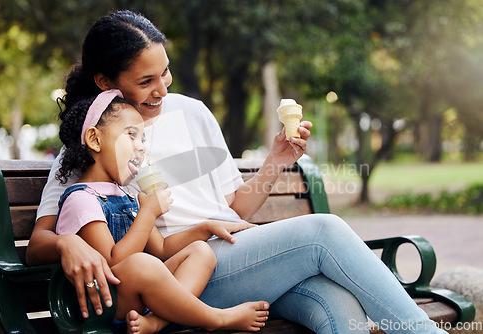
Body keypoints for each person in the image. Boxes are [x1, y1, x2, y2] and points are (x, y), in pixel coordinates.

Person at [27, 9, 446, 334]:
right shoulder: (93, 145)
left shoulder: (192, 112)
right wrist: (68, 246)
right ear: (105, 82)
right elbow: (44, 236)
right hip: (186, 277)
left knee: (339, 308)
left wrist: (276, 162)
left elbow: (231, 206)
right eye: (146, 80)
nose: (162, 89)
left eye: (166, 72)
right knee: (325, 233)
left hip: (245, 259)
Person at [54, 89, 269, 333]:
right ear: (95, 140)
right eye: (132, 135)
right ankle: (217, 319)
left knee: (201, 251)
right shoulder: (82, 200)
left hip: (137, 296)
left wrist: (206, 228)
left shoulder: (127, 195)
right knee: (141, 264)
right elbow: (114, 262)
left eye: (143, 140)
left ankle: (157, 322)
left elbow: (162, 249)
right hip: (105, 303)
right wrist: (148, 213)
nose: (141, 148)